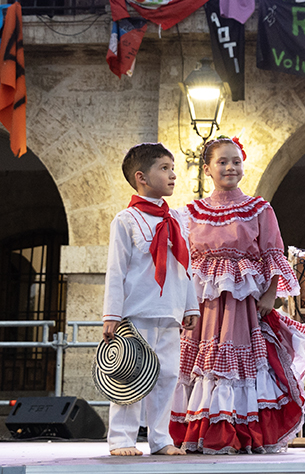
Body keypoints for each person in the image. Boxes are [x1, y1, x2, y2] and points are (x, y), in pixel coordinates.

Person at [170, 136, 305, 454]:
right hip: (204, 303)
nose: (230, 167)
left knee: (235, 362)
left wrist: (269, 296)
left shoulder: (259, 208)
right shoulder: (192, 212)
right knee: (199, 362)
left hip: (241, 302)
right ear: (207, 168)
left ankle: (235, 430)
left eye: (236, 161)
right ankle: (199, 429)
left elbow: (274, 253)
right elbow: (185, 262)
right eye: (222, 161)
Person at [102, 142, 200, 456]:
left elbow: (184, 266)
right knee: (131, 373)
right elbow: (116, 271)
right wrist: (111, 315)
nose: (173, 175)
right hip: (137, 312)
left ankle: (160, 438)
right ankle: (121, 439)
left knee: (167, 376)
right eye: (165, 168)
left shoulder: (178, 220)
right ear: (142, 177)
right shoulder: (126, 220)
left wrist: (190, 304)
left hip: (169, 312)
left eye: (173, 168)